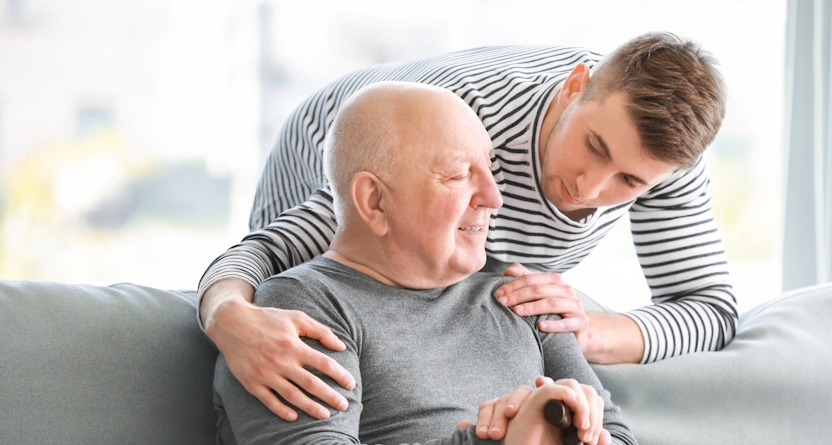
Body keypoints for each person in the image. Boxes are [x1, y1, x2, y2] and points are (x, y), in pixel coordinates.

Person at [213, 83, 781, 445]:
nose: (494, 197)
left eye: (491, 169)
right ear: (373, 200)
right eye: (461, 175)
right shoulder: (293, 314)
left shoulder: (522, 297)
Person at [201, 33, 740, 422]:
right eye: (594, 147)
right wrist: (228, 317)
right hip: (334, 139)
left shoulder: (667, 158)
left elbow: (711, 309)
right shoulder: (469, 126)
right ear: (576, 87)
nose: (591, 188)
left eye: (629, 180)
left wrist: (594, 331)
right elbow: (264, 253)